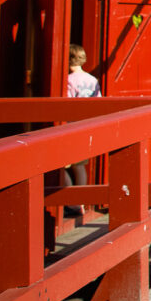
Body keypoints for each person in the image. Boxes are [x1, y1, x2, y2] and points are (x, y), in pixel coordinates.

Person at [64, 45, 98, 219]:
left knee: (62, 166)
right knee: (80, 167)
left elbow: (67, 106)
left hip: (71, 128)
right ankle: (81, 202)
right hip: (86, 127)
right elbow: (99, 102)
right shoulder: (92, 80)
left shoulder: (69, 81)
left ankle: (71, 202)